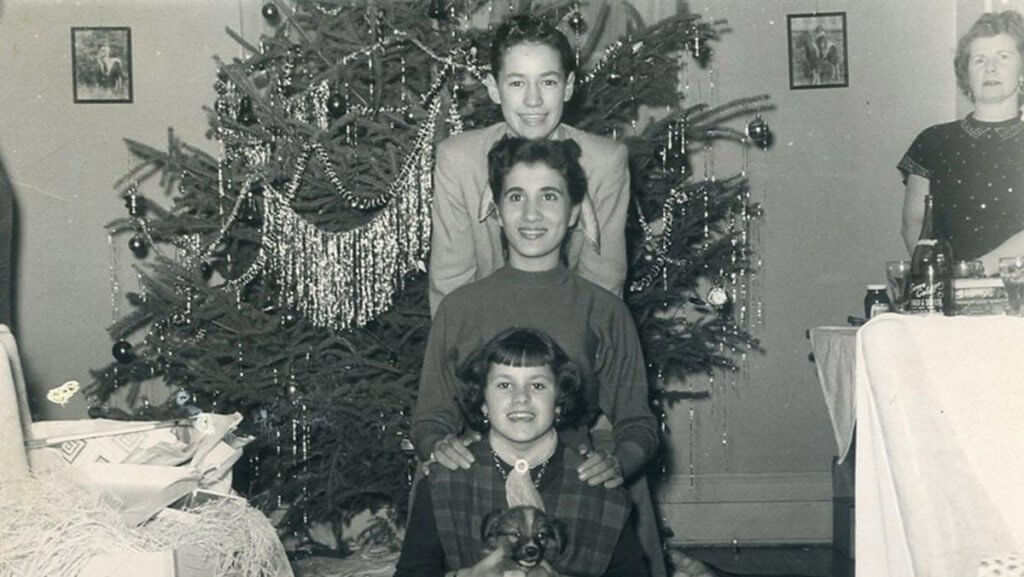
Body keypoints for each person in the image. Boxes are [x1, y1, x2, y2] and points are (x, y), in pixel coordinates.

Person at [412, 136, 664, 573]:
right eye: (516, 197)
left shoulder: (603, 309)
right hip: (479, 483)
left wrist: (619, 461)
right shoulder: (461, 307)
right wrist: (439, 445)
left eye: (549, 197)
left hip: (571, 486)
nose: (531, 214)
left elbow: (638, 422)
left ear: (573, 212)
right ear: (496, 207)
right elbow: (431, 416)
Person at [395, 327, 649, 577]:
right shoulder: (445, 481)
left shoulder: (598, 484)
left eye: (537, 386)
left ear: (559, 402)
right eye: (504, 384)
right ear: (483, 402)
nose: (521, 397)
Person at [428, 14, 630, 315]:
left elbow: (603, 292)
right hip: (482, 336)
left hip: (570, 338)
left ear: (568, 86)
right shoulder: (457, 161)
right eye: (517, 83)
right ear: (494, 89)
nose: (533, 100)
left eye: (548, 82)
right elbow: (450, 288)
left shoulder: (604, 163)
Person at [899, 10, 1024, 274]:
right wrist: (945, 285)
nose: (990, 67)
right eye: (979, 60)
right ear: (966, 75)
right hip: (950, 295)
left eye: (1003, 57)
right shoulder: (932, 142)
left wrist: (971, 273)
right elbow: (914, 226)